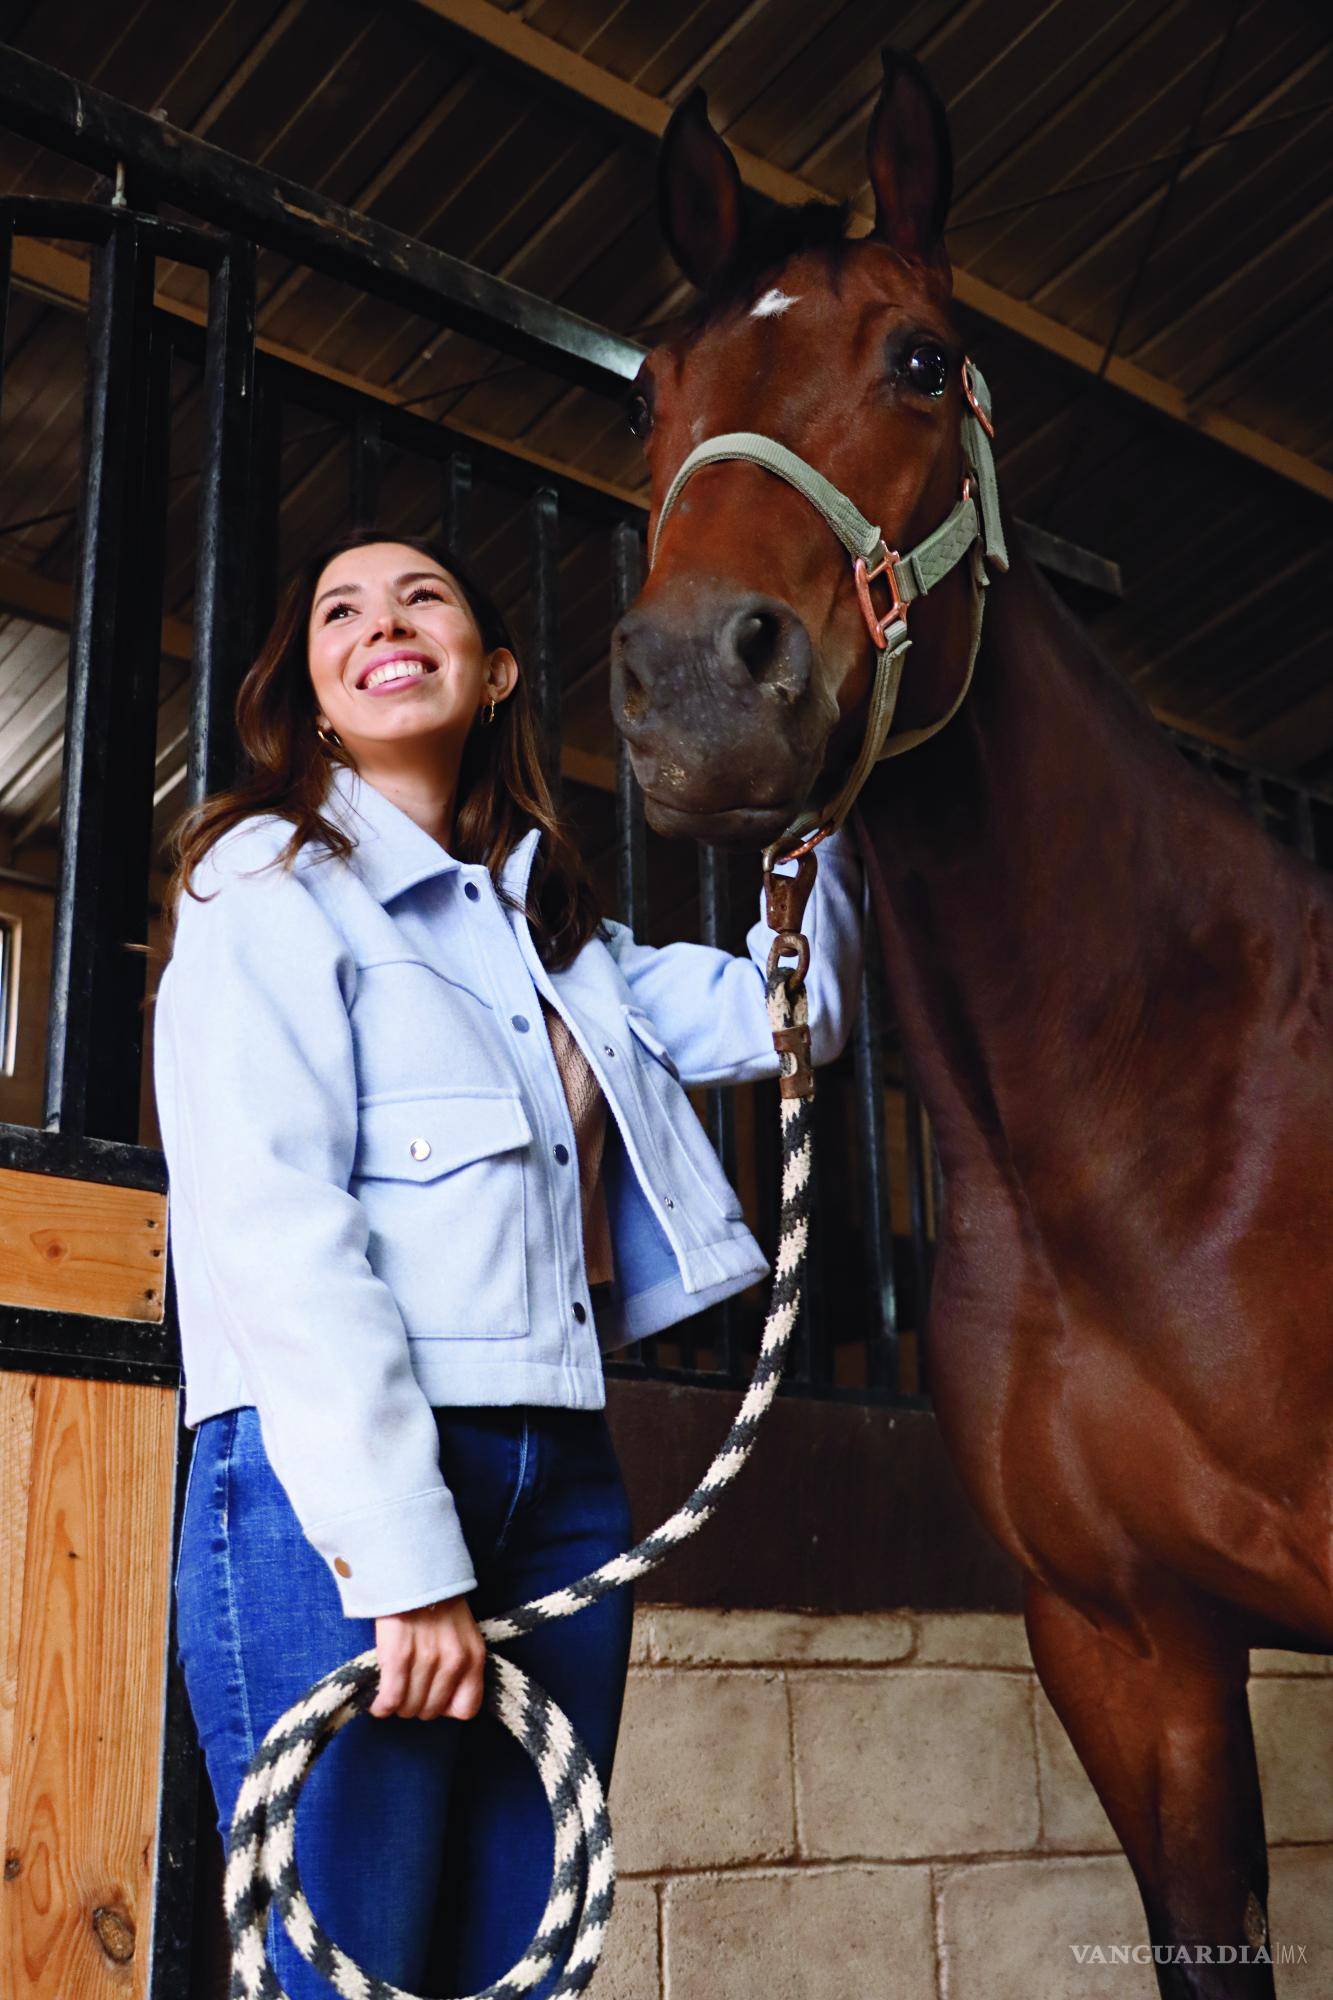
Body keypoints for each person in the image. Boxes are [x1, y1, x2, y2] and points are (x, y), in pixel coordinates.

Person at [155, 530, 867, 1999]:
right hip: (339, 1495)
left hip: (562, 1484)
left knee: (519, 1973)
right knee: (346, 1970)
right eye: (339, 612)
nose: (382, 625)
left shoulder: (563, 946)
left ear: (492, 672)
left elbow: (804, 1016)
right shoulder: (265, 884)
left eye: (423, 598)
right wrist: (402, 1565)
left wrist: (839, 793)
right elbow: (275, 1227)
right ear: (312, 687)